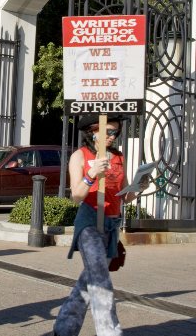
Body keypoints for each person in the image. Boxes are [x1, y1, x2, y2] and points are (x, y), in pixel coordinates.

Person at [53, 114, 148, 336]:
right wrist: (92, 173)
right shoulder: (80, 156)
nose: (113, 137)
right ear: (93, 132)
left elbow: (125, 195)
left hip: (112, 224)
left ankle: (64, 328)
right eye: (109, 131)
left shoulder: (118, 158)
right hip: (89, 222)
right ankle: (110, 331)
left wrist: (139, 186)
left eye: (116, 132)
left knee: (89, 281)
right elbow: (76, 196)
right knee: (100, 282)